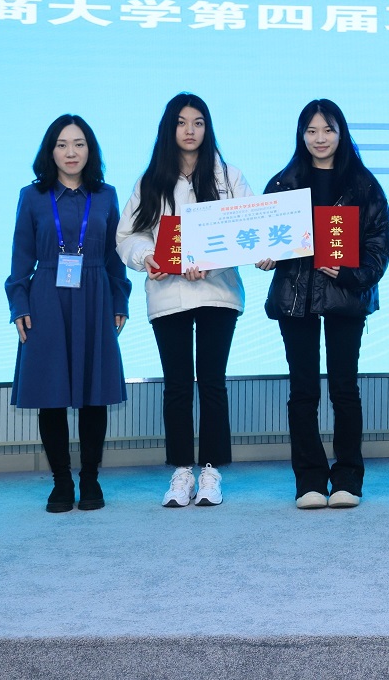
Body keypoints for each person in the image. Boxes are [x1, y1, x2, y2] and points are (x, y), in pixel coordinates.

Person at [117, 93, 250, 509]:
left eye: (198, 122)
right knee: (176, 385)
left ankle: (210, 470)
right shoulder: (151, 180)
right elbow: (128, 235)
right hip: (168, 294)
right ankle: (180, 471)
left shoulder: (228, 176)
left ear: (207, 128)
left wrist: (210, 261)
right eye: (181, 122)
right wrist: (147, 257)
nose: (190, 130)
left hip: (217, 292)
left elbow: (249, 229)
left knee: (211, 382)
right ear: (169, 128)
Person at [258, 100, 389, 510]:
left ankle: (348, 477)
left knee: (344, 389)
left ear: (341, 133)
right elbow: (263, 236)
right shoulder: (282, 184)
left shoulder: (363, 185)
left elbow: (379, 244)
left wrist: (351, 273)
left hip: (345, 299)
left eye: (328, 130)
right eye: (312, 130)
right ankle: (309, 480)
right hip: (295, 297)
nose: (320, 138)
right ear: (301, 135)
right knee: (302, 391)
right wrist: (266, 256)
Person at [6, 115, 130, 513]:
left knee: (94, 396)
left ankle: (90, 478)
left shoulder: (107, 196)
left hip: (95, 295)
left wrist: (120, 300)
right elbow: (20, 257)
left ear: (90, 150)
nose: (71, 152)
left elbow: (115, 257)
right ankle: (61, 482)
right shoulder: (32, 196)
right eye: (62, 144)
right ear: (50, 151)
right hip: (46, 297)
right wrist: (19, 304)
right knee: (51, 395)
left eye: (79, 144)